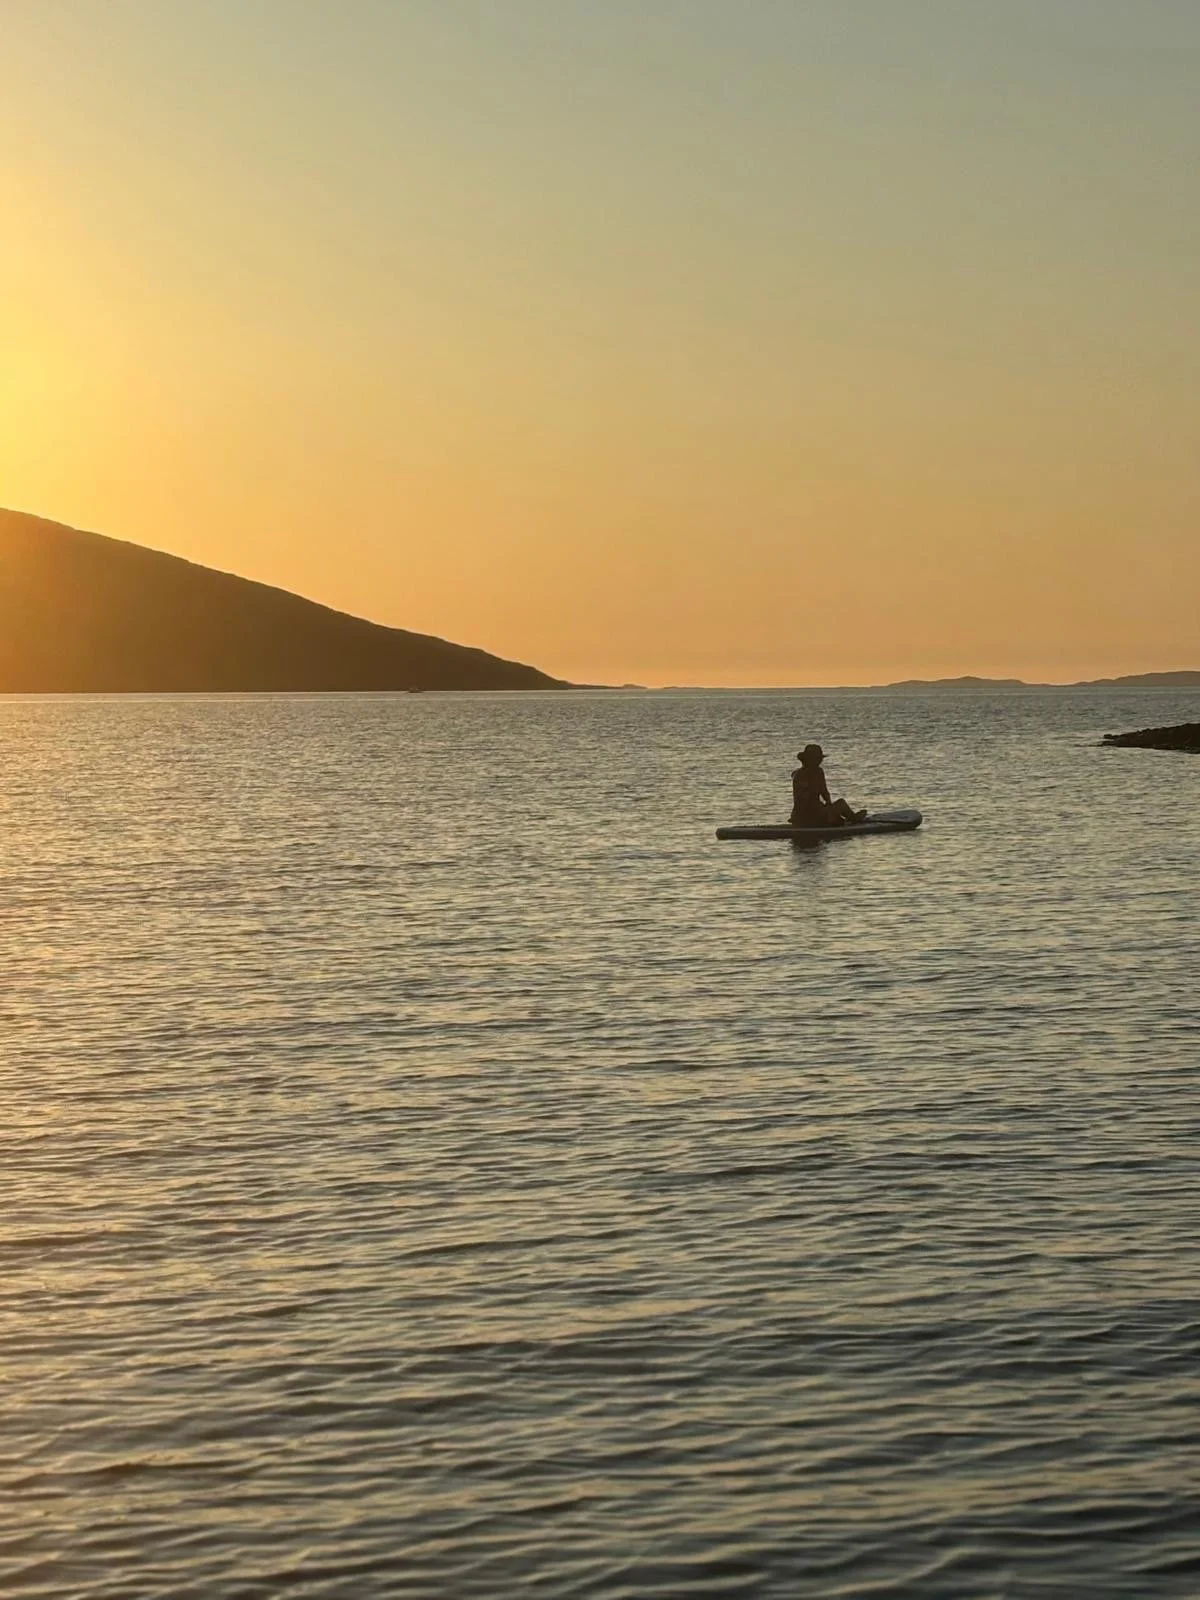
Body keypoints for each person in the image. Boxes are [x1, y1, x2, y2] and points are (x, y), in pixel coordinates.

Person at [790, 744, 868, 827]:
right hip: (810, 816)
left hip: (805, 815)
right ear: (809, 759)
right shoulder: (810, 773)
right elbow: (812, 798)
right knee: (841, 804)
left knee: (838, 819)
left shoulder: (805, 773)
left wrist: (829, 808)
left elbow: (822, 794)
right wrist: (828, 811)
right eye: (817, 759)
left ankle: (843, 819)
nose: (820, 761)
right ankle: (853, 819)